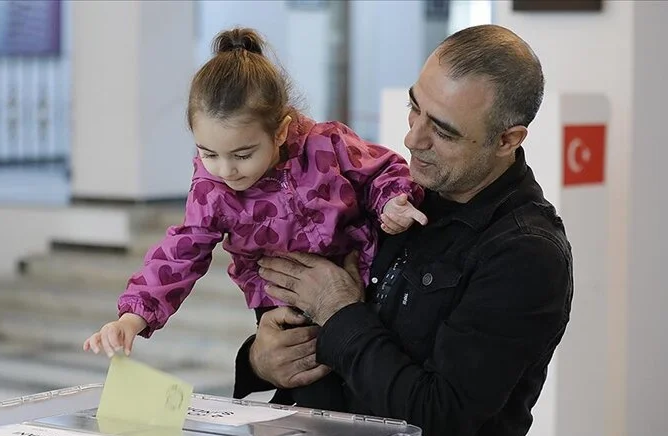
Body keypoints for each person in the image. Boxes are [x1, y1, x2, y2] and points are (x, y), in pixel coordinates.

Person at [234, 25, 574, 436]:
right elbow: (306, 336)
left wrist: (338, 309)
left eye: (443, 131)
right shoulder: (386, 195)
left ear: (507, 140)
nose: (413, 139)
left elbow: (435, 425)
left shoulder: (526, 254)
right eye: (415, 107)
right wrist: (260, 359)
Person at [83, 28, 426, 409]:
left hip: (357, 284)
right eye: (208, 153)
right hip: (281, 304)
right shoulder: (211, 188)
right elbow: (182, 252)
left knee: (371, 393)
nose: (226, 170)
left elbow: (381, 170)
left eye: (243, 154)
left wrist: (394, 200)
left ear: (280, 131)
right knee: (314, 396)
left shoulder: (327, 145)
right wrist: (133, 318)